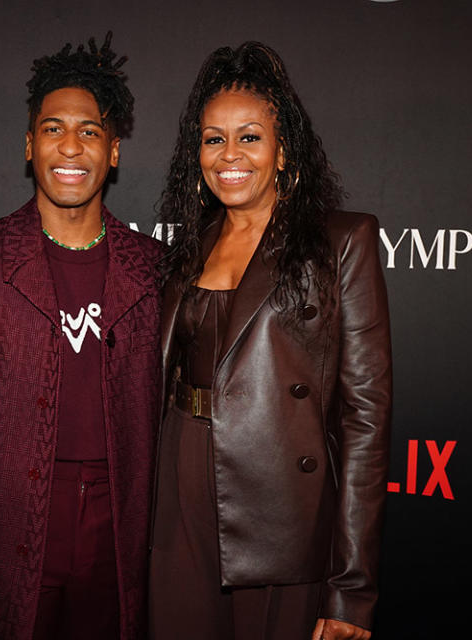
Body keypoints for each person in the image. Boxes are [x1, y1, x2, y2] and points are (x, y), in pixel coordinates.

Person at [149, 42, 391, 640]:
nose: (229, 155)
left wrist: (351, 589)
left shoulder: (340, 244)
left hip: (279, 498)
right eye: (212, 139)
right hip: (179, 479)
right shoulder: (186, 251)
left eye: (250, 137)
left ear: (284, 152)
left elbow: (365, 421)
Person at [0, 33, 162, 640]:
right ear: (29, 145)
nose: (71, 145)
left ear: (113, 152)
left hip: (120, 524)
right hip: (8, 520)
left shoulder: (156, 268)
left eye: (89, 131)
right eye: (53, 128)